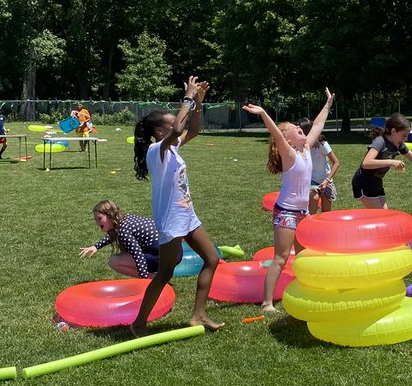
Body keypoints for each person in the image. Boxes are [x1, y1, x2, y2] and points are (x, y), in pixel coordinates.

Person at [129, 78, 222, 335]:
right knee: (164, 273)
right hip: (171, 221)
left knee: (212, 259)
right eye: (170, 123)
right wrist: (188, 98)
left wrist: (198, 104)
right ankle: (138, 323)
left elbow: (192, 130)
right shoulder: (156, 150)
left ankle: (198, 315)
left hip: (187, 216)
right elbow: (180, 129)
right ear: (160, 132)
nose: (175, 126)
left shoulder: (171, 148)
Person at [243, 90, 335, 314]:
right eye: (294, 128)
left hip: (303, 212)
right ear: (288, 139)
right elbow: (276, 133)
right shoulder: (290, 154)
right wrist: (264, 113)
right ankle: (267, 303)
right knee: (282, 257)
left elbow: (318, 126)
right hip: (286, 212)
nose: (299, 127)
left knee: (304, 256)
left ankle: (309, 290)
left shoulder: (304, 148)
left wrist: (328, 103)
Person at [351, 114, 412, 208]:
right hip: (364, 182)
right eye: (404, 135)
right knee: (380, 217)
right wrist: (391, 162)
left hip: (376, 183)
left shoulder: (399, 144)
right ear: (393, 131)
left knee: (384, 215)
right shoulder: (380, 142)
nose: (406, 139)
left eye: (407, 136)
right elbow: (366, 163)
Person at [79, 200, 169, 279]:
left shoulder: (124, 232)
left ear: (110, 216)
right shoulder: (125, 219)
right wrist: (96, 246)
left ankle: (155, 280)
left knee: (114, 262)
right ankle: (158, 280)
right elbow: (114, 235)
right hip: (172, 253)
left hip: (162, 257)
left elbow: (138, 256)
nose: (97, 223)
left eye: (99, 218)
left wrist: (144, 281)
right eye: (95, 219)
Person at [296, 116, 340, 215]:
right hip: (311, 180)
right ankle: (309, 223)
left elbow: (336, 163)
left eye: (300, 132)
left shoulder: (321, 144)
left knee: (326, 211)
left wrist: (327, 181)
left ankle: (324, 228)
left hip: (326, 179)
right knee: (314, 198)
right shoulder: (300, 146)